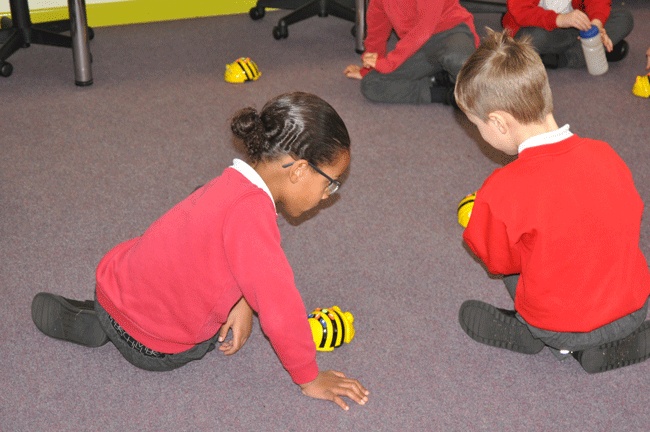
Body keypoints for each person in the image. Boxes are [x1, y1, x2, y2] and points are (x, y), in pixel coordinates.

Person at [30, 92, 370, 411]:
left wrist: (241, 301)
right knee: (206, 330)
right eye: (330, 183)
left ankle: (105, 320)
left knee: (180, 241)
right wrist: (309, 377)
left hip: (110, 289)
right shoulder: (253, 222)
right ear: (299, 170)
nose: (327, 195)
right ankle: (130, 329)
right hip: (155, 349)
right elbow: (280, 309)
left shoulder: (228, 182)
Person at [454, 29, 650, 373]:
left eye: (476, 126)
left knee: (519, 265)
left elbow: (497, 261)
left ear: (498, 122)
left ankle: (542, 337)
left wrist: (482, 218)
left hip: (560, 326)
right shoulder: (607, 154)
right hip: (634, 308)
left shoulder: (503, 189)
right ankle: (603, 344)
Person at [343, 0, 479, 105]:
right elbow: (376, 33)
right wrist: (368, 69)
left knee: (460, 60)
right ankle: (447, 93)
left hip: (451, 32)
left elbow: (423, 30)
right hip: (418, 47)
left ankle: (454, 84)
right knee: (371, 84)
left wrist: (389, 63)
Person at [502, 0, 633, 69]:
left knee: (624, 18)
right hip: (540, 28)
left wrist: (596, 25)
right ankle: (592, 52)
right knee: (530, 39)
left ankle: (563, 58)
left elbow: (597, 2)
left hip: (577, 27)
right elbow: (521, 11)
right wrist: (559, 19)